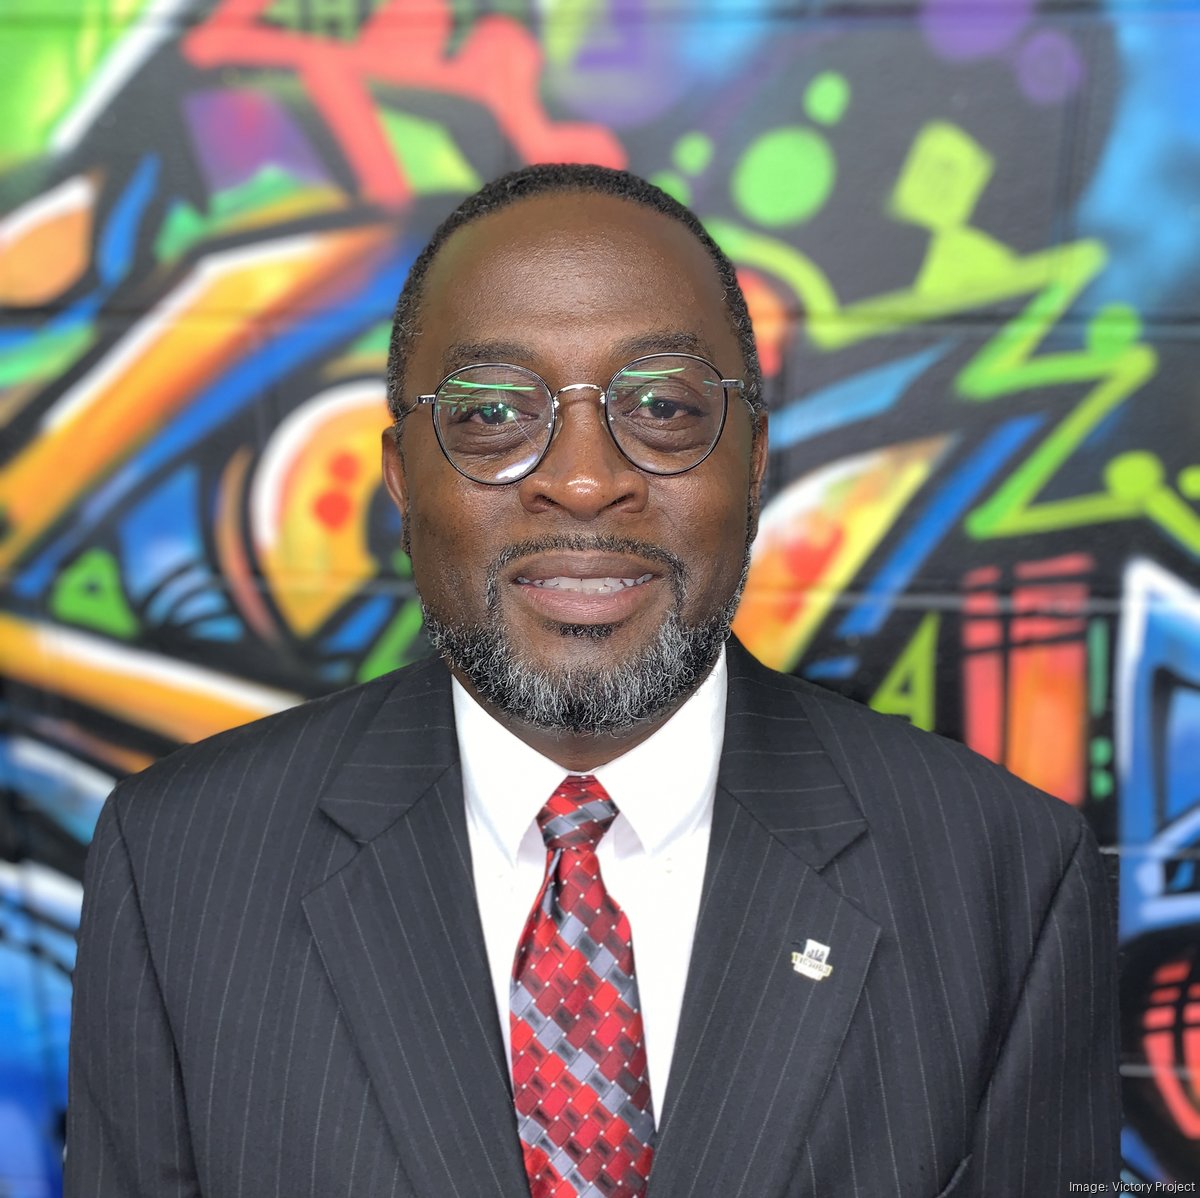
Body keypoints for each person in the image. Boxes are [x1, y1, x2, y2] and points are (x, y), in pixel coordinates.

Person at [66, 164, 1120, 1198]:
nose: (582, 480)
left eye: (661, 404)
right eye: (492, 413)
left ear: (754, 463)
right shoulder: (180, 868)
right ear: (400, 476)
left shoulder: (1003, 879)